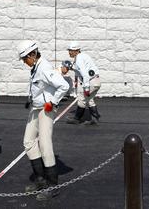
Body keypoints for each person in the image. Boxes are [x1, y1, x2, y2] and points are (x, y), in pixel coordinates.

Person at [17, 40, 69, 200]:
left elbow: (63, 86)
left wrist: (52, 102)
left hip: (46, 109)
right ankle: (40, 180)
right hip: (36, 107)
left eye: (25, 58)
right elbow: (38, 87)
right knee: (28, 142)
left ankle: (53, 185)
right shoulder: (35, 67)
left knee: (45, 144)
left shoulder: (44, 67)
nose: (25, 62)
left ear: (33, 54)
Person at [65, 42, 102, 125]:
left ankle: (76, 119)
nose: (69, 52)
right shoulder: (84, 56)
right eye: (69, 50)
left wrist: (86, 88)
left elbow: (84, 74)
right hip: (96, 81)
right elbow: (82, 70)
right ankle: (95, 118)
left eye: (71, 50)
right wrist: (72, 68)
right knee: (89, 99)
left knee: (81, 98)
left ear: (77, 50)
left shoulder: (79, 59)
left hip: (90, 81)